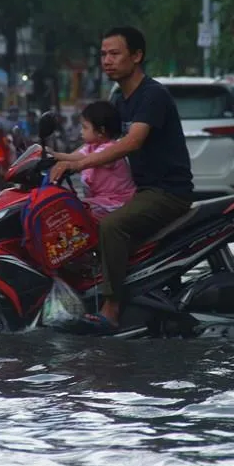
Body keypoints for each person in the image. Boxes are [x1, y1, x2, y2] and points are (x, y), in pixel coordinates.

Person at [50, 26, 194, 332]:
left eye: (114, 54)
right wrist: (54, 157)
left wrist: (80, 164)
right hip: (140, 190)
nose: (106, 60)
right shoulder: (120, 99)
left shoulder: (152, 95)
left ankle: (111, 309)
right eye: (103, 54)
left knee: (110, 226)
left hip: (166, 192)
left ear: (137, 55)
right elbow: (101, 147)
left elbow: (130, 143)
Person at [52, 101, 136, 220]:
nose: (81, 131)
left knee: (77, 214)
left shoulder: (109, 149)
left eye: (85, 127)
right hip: (100, 200)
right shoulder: (92, 146)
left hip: (116, 202)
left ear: (101, 131)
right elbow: (73, 156)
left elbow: (84, 159)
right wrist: (52, 154)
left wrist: (70, 164)